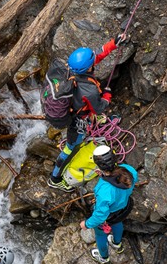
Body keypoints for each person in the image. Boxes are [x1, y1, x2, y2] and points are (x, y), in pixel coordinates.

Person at [48, 34, 127, 192]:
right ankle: (54, 179)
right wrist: (107, 95)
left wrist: (114, 43)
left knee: (86, 121)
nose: (94, 59)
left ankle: (95, 123)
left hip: (78, 110)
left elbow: (97, 54)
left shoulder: (72, 69)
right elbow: (99, 107)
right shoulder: (89, 90)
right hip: (77, 122)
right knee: (70, 148)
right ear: (88, 68)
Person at [80, 145, 138, 264]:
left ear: (99, 165)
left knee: (100, 235)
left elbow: (100, 215)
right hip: (124, 208)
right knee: (118, 223)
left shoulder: (104, 190)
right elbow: (119, 181)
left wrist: (86, 224)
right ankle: (117, 244)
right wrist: (104, 175)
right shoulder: (128, 170)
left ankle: (104, 259)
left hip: (109, 215)